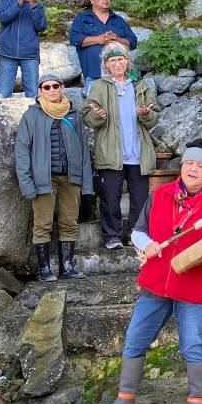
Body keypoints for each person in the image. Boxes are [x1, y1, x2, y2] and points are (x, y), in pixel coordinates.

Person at [95, 146, 202, 404]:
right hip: (156, 282)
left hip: (195, 286)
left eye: (201, 166)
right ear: (182, 166)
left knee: (193, 345)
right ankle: (125, 399)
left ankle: (197, 403)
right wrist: (147, 246)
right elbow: (138, 231)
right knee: (135, 339)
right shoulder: (161, 195)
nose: (193, 170)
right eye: (189, 163)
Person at [14, 74, 93, 281]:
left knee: (69, 222)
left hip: (71, 177)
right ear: (40, 91)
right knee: (43, 224)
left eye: (55, 86)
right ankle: (44, 269)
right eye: (46, 87)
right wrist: (26, 184)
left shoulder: (74, 114)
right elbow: (22, 151)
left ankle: (67, 266)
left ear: (62, 87)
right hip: (43, 179)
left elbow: (84, 150)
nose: (51, 90)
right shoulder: (31, 116)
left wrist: (87, 185)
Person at [81, 44, 160, 250]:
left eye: (121, 59)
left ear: (127, 61)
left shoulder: (140, 86)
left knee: (140, 198)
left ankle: (137, 234)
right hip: (110, 152)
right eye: (112, 61)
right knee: (110, 197)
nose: (117, 64)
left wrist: (145, 114)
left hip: (138, 152)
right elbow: (87, 116)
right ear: (106, 65)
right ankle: (112, 236)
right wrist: (98, 116)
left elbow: (154, 117)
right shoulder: (99, 86)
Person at [68, 0, 137, 92]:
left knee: (120, 107)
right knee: (97, 108)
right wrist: (98, 40)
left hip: (119, 76)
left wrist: (118, 39)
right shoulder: (82, 18)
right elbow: (74, 39)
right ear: (92, 0)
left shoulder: (118, 20)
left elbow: (133, 42)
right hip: (94, 75)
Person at [0, 0, 47, 98]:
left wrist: (34, 6)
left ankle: (33, 117)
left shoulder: (36, 5)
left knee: (33, 94)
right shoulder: (6, 0)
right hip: (8, 53)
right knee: (3, 93)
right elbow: (2, 18)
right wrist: (18, 3)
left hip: (29, 54)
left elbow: (41, 27)